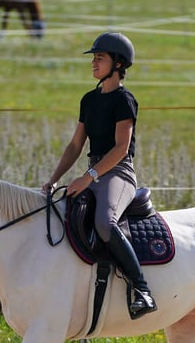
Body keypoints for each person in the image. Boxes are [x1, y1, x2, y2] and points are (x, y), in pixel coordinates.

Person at [43, 32, 157, 319]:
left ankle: (142, 289)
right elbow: (74, 146)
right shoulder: (89, 100)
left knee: (105, 224)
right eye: (93, 58)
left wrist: (88, 177)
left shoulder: (124, 100)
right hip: (93, 171)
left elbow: (120, 148)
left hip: (118, 173)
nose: (94, 63)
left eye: (100, 58)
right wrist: (54, 179)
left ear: (118, 64)